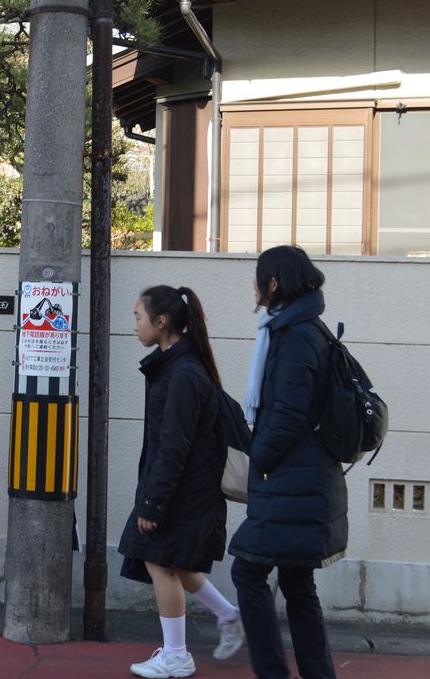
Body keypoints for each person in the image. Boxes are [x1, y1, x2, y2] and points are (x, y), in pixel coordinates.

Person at [230, 246, 345, 679]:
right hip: (303, 479)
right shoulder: (302, 327)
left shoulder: (295, 336)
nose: (254, 285)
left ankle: (272, 672)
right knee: (297, 582)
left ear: (274, 283)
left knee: (248, 571)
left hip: (291, 480)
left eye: (259, 277)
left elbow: (288, 416)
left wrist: (258, 458)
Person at [119, 285, 245, 679]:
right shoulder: (177, 367)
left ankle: (177, 655)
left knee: (161, 563)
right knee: (178, 564)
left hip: (185, 492)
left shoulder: (183, 373)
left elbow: (174, 445)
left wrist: (153, 504)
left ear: (161, 322)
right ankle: (229, 615)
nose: (134, 325)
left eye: (138, 317)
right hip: (186, 489)